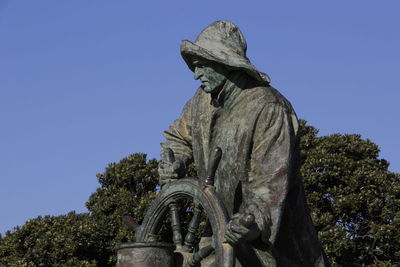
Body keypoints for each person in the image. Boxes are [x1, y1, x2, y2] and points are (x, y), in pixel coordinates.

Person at [158, 20, 330, 266]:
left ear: (225, 63)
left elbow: (270, 183)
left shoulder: (269, 108)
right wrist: (174, 161)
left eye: (202, 66)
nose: (196, 75)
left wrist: (251, 220)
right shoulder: (201, 102)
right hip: (218, 236)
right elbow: (177, 137)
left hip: (275, 248)